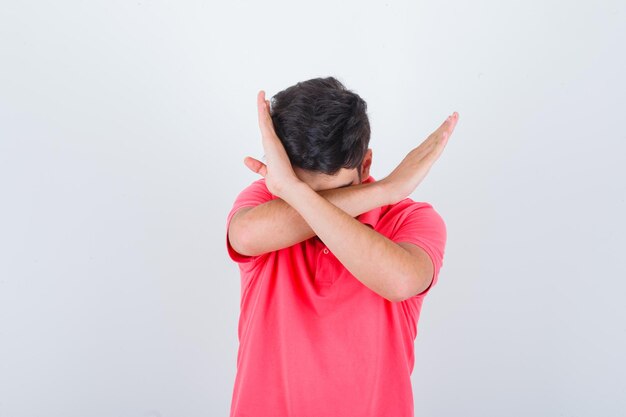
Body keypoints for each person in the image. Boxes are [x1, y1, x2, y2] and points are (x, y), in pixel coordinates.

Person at [225, 76, 459, 417]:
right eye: (302, 191)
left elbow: (401, 282)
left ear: (365, 165)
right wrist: (385, 189)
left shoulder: (412, 220)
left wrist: (295, 192)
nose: (315, 207)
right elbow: (243, 236)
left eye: (333, 193)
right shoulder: (265, 200)